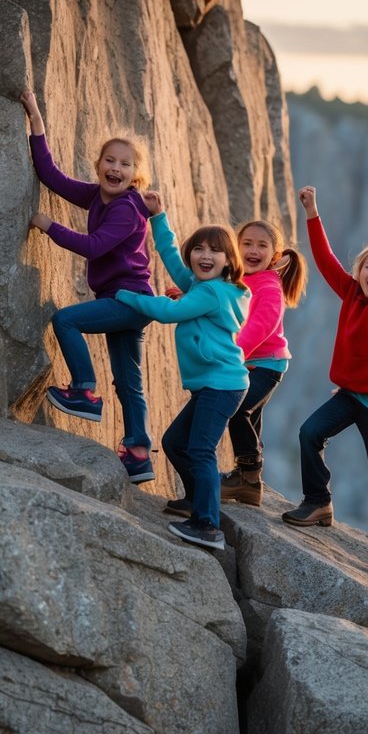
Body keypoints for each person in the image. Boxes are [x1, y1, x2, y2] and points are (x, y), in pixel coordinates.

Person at [281, 185, 368, 573]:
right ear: (358, 271)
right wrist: (312, 212)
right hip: (348, 394)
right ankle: (318, 502)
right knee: (310, 433)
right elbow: (325, 259)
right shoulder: (349, 293)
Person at [20, 89, 155, 484]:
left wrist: (49, 226)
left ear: (136, 176)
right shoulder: (98, 196)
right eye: (110, 161)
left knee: (65, 321)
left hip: (128, 300)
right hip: (127, 303)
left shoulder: (128, 210)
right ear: (98, 166)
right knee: (129, 381)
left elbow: (94, 246)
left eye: (125, 164)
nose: (116, 168)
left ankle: (84, 391)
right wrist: (36, 120)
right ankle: (138, 453)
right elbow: (52, 176)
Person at [116, 194, 249, 551]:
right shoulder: (207, 286)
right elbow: (175, 263)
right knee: (176, 442)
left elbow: (168, 313)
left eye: (215, 251)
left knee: (201, 450)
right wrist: (159, 218)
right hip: (214, 384)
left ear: (228, 261)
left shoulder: (213, 293)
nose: (205, 256)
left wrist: (126, 295)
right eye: (199, 249)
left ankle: (208, 525)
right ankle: (196, 500)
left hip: (222, 385)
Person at [219, 219, 308, 506]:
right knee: (250, 415)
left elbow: (261, 326)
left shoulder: (270, 286)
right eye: (247, 243)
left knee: (237, 408)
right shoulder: (237, 279)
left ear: (275, 255)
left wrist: (234, 354)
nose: (253, 250)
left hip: (268, 364)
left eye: (262, 245)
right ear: (236, 246)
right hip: (248, 362)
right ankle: (249, 485)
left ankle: (249, 473)